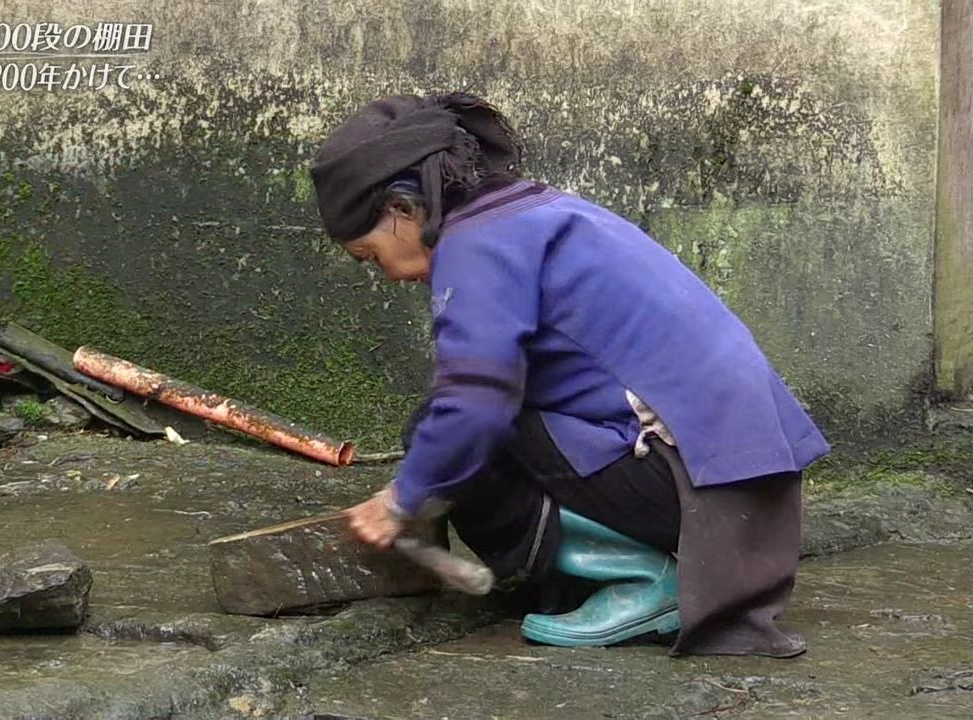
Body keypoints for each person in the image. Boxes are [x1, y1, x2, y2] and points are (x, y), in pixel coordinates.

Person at [309, 92, 831, 657]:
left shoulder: (477, 246)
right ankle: (603, 572)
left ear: (403, 211)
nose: (386, 275)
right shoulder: (536, 210)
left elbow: (473, 407)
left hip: (699, 493)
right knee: (456, 433)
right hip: (749, 489)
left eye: (371, 255)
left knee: (448, 437)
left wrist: (400, 502)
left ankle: (643, 577)